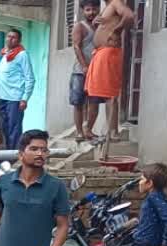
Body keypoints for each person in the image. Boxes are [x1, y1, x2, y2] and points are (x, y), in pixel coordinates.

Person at [86, 0, 134, 142]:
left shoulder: (116, 3)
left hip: (109, 52)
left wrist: (117, 30)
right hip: (100, 53)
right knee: (94, 92)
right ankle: (90, 129)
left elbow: (130, 16)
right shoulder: (107, 7)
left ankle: (113, 132)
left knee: (110, 94)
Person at [0, 29, 35, 151]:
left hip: (15, 98)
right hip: (2, 97)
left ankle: (15, 155)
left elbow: (30, 78)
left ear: (19, 40)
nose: (10, 39)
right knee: (5, 128)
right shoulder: (5, 54)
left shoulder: (22, 55)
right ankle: (8, 152)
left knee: (14, 129)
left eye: (14, 37)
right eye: (8, 36)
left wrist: (24, 98)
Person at [70, 0, 101, 141]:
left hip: (97, 70)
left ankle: (89, 130)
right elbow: (76, 47)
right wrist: (84, 66)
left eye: (94, 9)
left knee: (94, 102)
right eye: (88, 10)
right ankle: (79, 132)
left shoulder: (100, 26)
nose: (91, 12)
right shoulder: (79, 26)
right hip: (80, 71)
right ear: (83, 11)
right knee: (78, 102)